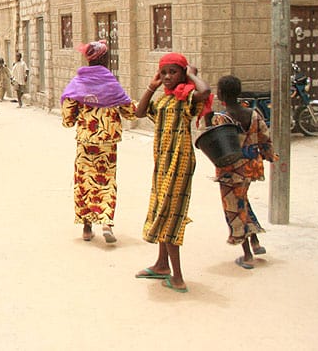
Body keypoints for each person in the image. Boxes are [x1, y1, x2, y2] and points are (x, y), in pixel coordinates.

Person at [134, 52, 211, 294]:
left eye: (173, 72)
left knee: (170, 216)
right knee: (160, 208)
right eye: (164, 72)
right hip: (162, 163)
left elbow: (206, 92)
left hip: (179, 162)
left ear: (182, 73)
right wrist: (152, 86)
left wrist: (190, 74)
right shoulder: (165, 101)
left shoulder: (187, 98)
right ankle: (161, 265)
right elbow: (139, 112)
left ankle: (177, 278)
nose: (167, 77)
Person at [61, 40, 136, 243]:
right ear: (105, 59)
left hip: (85, 141)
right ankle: (107, 223)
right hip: (108, 142)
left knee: (84, 180)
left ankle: (86, 228)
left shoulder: (79, 82)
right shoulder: (111, 83)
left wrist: (77, 116)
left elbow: (68, 116)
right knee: (106, 179)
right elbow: (130, 111)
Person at [209, 75, 278, 270]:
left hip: (231, 170)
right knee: (242, 202)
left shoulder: (223, 118)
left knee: (234, 208)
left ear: (221, 93)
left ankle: (247, 255)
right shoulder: (254, 113)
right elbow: (265, 137)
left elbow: (215, 142)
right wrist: (269, 155)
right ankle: (255, 241)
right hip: (250, 166)